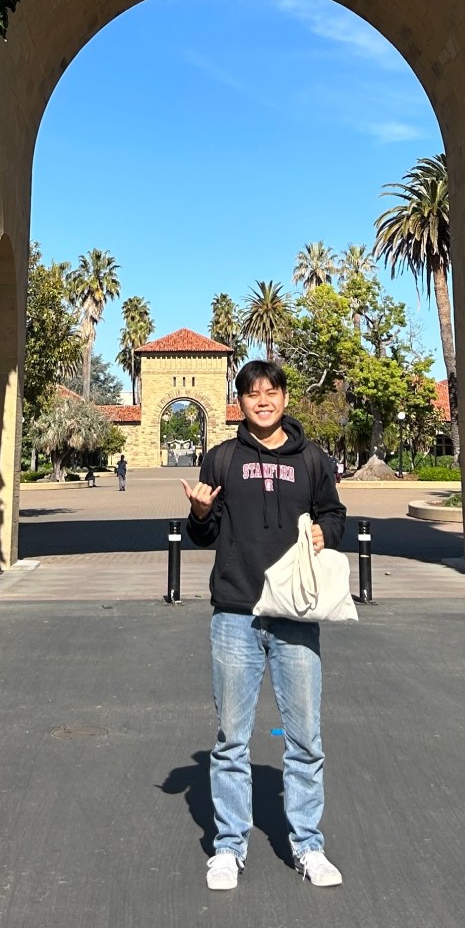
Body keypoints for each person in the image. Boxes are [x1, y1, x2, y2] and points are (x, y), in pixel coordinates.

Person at [182, 358, 347, 891]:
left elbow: (335, 514)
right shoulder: (222, 459)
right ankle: (229, 848)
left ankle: (308, 846)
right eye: (252, 394)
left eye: (271, 392)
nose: (263, 401)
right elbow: (202, 537)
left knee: (304, 738)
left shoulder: (313, 460)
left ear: (284, 398)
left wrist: (326, 531)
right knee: (232, 739)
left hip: (296, 615)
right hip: (235, 614)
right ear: (241, 402)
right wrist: (202, 513)